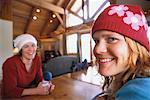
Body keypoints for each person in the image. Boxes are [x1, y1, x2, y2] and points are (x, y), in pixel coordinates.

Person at [92, 4, 150, 100]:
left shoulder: (137, 93)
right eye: (96, 41)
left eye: (111, 39)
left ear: (136, 47)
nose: (97, 50)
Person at [1, 34, 55, 98]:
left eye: (33, 45)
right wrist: (36, 91)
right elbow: (10, 91)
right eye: (26, 46)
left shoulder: (36, 59)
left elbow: (39, 79)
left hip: (28, 95)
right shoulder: (10, 63)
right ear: (21, 50)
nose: (31, 49)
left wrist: (46, 85)